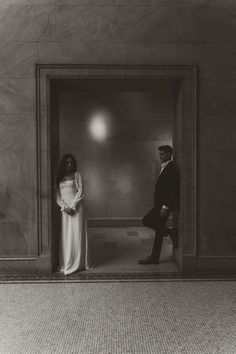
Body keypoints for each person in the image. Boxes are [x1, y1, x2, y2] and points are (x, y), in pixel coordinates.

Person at [139, 145, 179, 265]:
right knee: (159, 231)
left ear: (169, 154)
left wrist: (165, 206)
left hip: (163, 206)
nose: (160, 157)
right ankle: (154, 257)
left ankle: (170, 232)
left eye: (162, 154)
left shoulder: (172, 168)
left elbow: (171, 189)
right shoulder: (166, 167)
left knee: (146, 220)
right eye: (159, 154)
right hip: (160, 205)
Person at [55, 154, 92, 275]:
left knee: (77, 234)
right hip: (65, 211)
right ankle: (67, 261)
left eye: (71, 163)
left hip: (77, 209)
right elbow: (57, 194)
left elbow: (81, 190)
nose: (69, 165)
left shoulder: (77, 175)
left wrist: (73, 206)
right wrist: (64, 207)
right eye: (67, 162)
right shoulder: (59, 177)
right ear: (63, 164)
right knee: (67, 236)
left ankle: (79, 263)